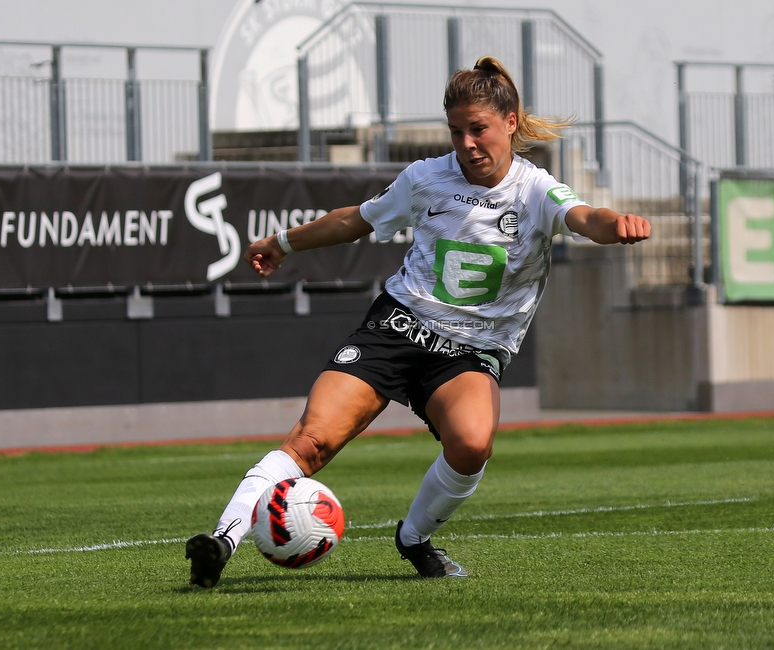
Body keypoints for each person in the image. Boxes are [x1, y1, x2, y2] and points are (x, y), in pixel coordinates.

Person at [184, 55, 651, 586]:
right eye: (457, 132)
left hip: (470, 352)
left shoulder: (535, 190)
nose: (467, 144)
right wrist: (283, 243)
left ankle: (413, 537)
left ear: (510, 122)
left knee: (472, 445)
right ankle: (221, 542)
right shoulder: (426, 178)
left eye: (478, 130)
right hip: (397, 326)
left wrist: (620, 225)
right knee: (311, 440)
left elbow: (586, 217)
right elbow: (352, 221)